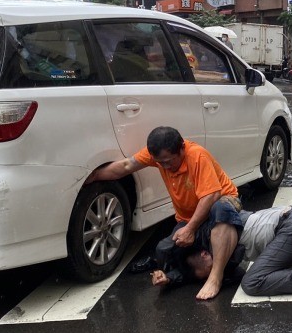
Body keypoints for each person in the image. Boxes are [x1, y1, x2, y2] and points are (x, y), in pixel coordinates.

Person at [84, 126, 243, 298]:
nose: (165, 166)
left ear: (182, 148)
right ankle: (167, 275)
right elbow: (126, 165)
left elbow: (211, 195)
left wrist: (190, 229)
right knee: (164, 250)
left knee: (221, 209)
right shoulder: (159, 155)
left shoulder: (197, 156)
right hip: (189, 217)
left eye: (168, 161)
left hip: (219, 204)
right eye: (159, 162)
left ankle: (216, 278)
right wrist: (92, 176)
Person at [167, 205, 292, 299]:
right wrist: (169, 278)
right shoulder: (215, 245)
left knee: (251, 283)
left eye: (209, 270)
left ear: (204, 254)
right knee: (277, 263)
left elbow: (220, 206)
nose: (215, 272)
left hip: (291, 226)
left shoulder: (217, 237)